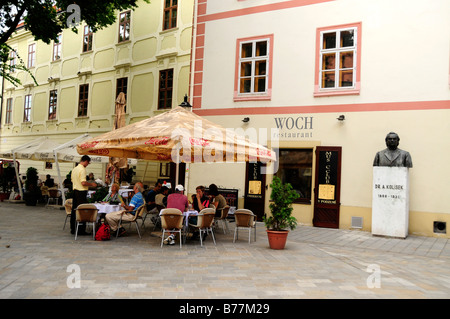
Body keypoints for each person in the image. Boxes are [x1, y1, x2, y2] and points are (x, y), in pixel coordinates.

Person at [71, 155, 97, 235]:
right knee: (82, 211)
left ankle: (73, 229)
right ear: (85, 161)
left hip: (75, 191)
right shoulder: (82, 169)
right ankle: (81, 230)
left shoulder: (74, 169)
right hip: (81, 192)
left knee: (74, 210)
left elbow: (72, 180)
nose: (88, 164)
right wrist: (92, 184)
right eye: (88, 163)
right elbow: (83, 182)